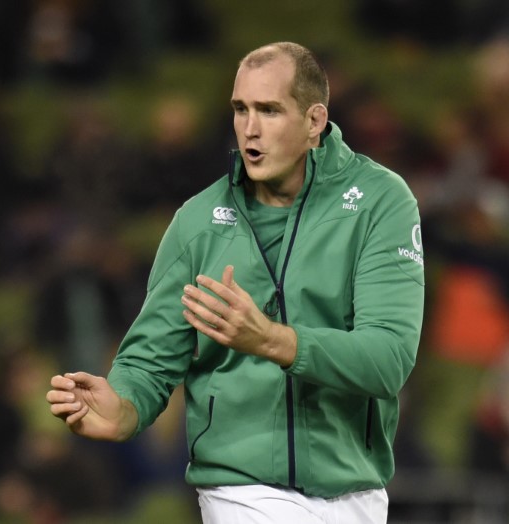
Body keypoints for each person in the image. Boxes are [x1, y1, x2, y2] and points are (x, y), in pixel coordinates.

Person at [46, 41, 425, 523]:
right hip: (240, 492)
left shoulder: (379, 202)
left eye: (269, 110)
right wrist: (121, 408)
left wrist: (272, 340)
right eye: (240, 109)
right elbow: (150, 361)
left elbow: (388, 359)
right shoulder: (198, 222)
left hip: (357, 494)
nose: (250, 128)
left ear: (314, 121)